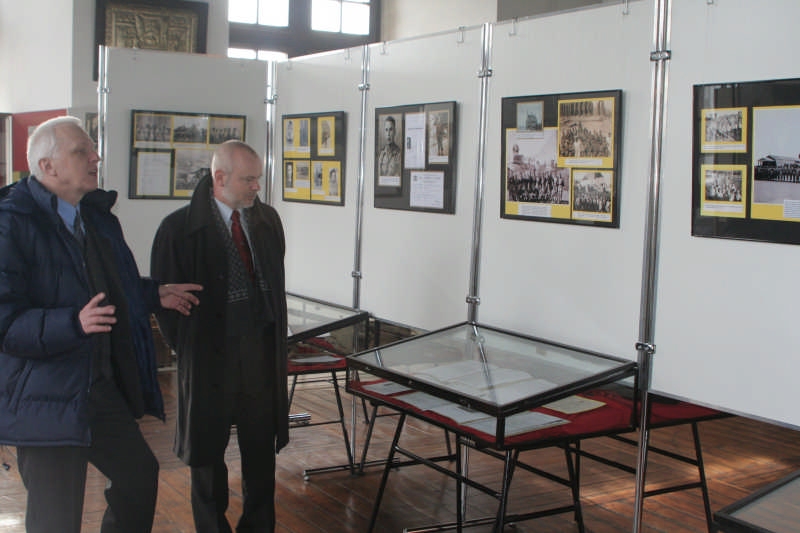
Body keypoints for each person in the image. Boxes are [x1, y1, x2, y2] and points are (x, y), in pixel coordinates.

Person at [0, 116, 202, 533]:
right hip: (45, 396)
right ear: (47, 166)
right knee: (56, 519)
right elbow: (5, 322)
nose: (96, 158)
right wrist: (71, 323)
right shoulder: (11, 222)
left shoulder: (94, 216)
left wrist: (154, 293)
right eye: (82, 151)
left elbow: (109, 284)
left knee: (138, 476)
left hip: (96, 386)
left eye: (93, 149)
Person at [151, 140, 289, 532]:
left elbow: (274, 283)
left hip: (260, 359)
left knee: (261, 454)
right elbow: (166, 306)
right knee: (207, 459)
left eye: (258, 179)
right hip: (210, 361)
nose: (256, 187)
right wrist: (192, 349)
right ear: (220, 178)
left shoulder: (267, 222)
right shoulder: (178, 229)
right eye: (248, 180)